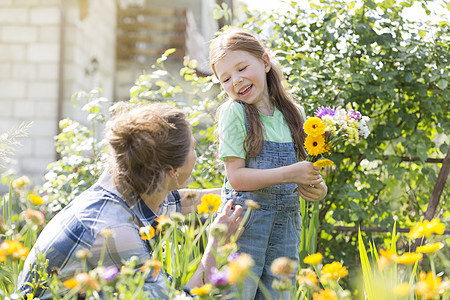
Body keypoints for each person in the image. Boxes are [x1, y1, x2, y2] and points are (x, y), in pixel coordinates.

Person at [15, 103, 243, 299]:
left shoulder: (128, 181)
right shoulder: (114, 229)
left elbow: (179, 200)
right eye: (194, 148)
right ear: (173, 171)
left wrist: (240, 192)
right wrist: (216, 244)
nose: (198, 154)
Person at [209, 28, 328, 299]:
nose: (236, 81)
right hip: (244, 227)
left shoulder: (294, 114)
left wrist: (317, 189)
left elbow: (302, 173)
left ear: (264, 62)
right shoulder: (235, 112)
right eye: (225, 78)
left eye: (242, 68)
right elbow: (237, 178)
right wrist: (293, 173)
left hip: (286, 228)